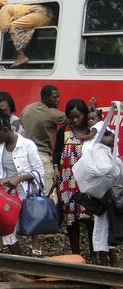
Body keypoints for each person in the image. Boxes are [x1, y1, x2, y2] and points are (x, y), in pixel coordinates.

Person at [0, 112, 44, 263]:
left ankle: (13, 268)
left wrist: (18, 179)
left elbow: (39, 171)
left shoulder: (27, 145)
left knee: (4, 230)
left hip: (24, 196)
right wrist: (0, 179)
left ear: (4, 130)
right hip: (6, 195)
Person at [52, 99, 95, 258]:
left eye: (78, 116)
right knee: (71, 217)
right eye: (71, 117)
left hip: (88, 182)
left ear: (84, 114)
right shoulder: (63, 131)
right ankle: (75, 253)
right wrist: (56, 167)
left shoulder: (92, 131)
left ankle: (93, 252)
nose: (75, 120)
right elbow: (56, 152)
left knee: (90, 217)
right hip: (67, 180)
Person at [21, 85, 66, 199]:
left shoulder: (27, 109)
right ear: (45, 98)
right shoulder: (53, 113)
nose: (58, 100)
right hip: (42, 157)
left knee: (30, 192)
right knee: (47, 193)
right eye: (54, 97)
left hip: (26, 156)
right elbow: (73, 119)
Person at [0, 0, 53, 67]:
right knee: (23, 29)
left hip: (39, 13)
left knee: (13, 27)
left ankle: (21, 56)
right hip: (46, 13)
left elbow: (4, 28)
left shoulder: (4, 9)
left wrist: (4, 21)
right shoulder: (12, 8)